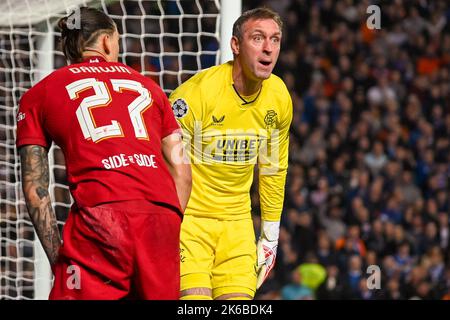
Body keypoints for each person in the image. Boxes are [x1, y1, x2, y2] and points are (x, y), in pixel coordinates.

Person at [16, 7, 191, 300]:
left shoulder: (40, 94)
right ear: (108, 42)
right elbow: (183, 174)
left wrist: (58, 258)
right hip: (161, 217)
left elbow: (35, 189)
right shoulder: (152, 88)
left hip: (102, 218)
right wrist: (166, 226)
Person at [169, 7, 292, 300]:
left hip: (237, 226)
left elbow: (273, 169)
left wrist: (270, 236)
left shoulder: (279, 97)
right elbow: (166, 168)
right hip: (190, 223)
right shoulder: (193, 96)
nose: (268, 48)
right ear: (235, 45)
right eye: (258, 38)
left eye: (275, 39)